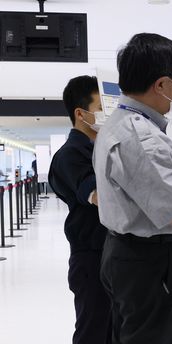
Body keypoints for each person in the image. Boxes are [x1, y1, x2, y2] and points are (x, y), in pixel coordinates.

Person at [93, 33, 172, 344]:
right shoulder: (143, 138)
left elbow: (134, 198)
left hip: (126, 254)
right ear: (161, 85)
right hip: (149, 265)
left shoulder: (115, 124)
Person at [48, 75, 111, 344]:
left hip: (111, 255)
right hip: (91, 260)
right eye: (101, 109)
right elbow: (100, 196)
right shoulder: (71, 154)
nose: (107, 116)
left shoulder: (98, 149)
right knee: (94, 333)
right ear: (81, 114)